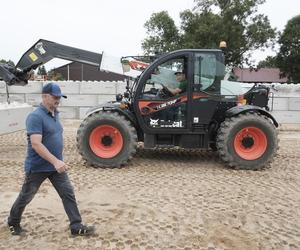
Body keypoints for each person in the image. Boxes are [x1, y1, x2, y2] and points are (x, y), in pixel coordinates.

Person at [7, 83, 95, 236]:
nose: (58, 100)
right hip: (38, 167)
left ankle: (76, 225)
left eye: (59, 97)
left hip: (56, 167)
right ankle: (13, 222)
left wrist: (57, 161)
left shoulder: (56, 113)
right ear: (44, 96)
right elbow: (36, 143)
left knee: (68, 193)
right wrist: (55, 161)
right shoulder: (35, 116)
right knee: (26, 196)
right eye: (55, 97)